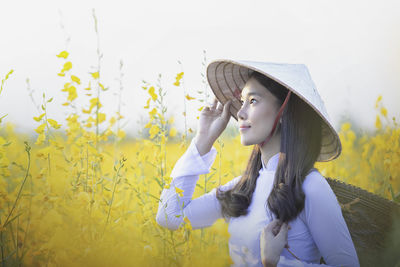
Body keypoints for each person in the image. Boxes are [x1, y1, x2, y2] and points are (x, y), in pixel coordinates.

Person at [156, 59, 360, 267]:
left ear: (285, 111)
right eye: (242, 101)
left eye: (252, 101)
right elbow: (170, 216)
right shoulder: (243, 187)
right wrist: (203, 140)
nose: (240, 112)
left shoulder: (310, 186)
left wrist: (273, 263)